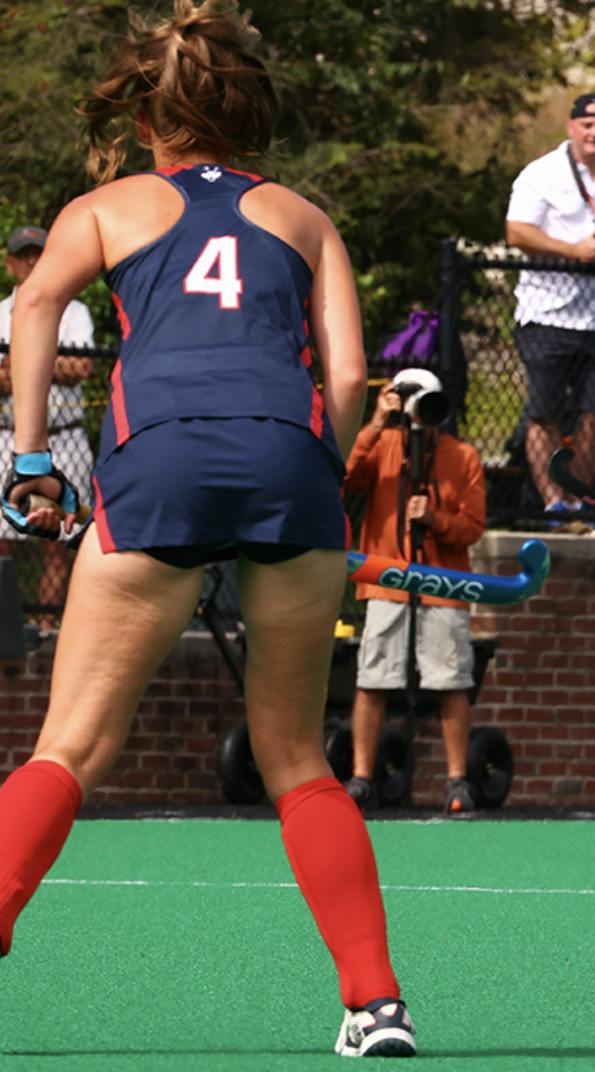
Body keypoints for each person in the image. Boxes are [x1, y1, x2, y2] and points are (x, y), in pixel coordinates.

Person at [0, 1, 414, 1056]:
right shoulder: (304, 216)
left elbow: (38, 305)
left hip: (164, 460)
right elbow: (353, 374)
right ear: (247, 110)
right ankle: (375, 1005)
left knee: (74, 746)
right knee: (294, 757)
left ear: (151, 115)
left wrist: (38, 463)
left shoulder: (109, 205)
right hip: (291, 463)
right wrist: (322, 471)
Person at [342, 368, 486, 815]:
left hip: (443, 584)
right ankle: (361, 778)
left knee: (450, 680)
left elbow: (473, 528)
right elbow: (343, 478)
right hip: (387, 579)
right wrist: (373, 423)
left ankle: (457, 780)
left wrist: (435, 520)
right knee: (373, 678)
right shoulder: (381, 445)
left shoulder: (462, 455)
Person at [505, 93, 595, 520]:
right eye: (587, 124)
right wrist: (573, 251)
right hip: (547, 312)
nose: (594, 132)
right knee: (544, 413)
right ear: (571, 126)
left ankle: (576, 498)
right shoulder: (541, 173)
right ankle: (553, 501)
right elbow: (517, 232)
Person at [0, 224, 97, 630]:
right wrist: (49, 360)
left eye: (39, 253)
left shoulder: (74, 310)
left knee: (56, 539)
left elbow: (82, 367)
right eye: (24, 255)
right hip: (6, 436)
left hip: (65, 436)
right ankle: (4, 625)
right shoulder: (0, 311)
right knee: (2, 541)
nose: (33, 261)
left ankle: (47, 628)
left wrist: (20, 363)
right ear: (11, 263)